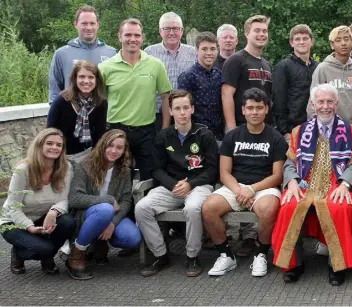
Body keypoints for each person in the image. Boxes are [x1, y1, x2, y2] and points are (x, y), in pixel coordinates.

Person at [271, 84, 352, 286]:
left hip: (334, 185)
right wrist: (293, 182)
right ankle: (294, 264)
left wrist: (345, 184)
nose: (325, 106)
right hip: (304, 184)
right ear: (312, 105)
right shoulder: (299, 132)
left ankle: (336, 265)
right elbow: (289, 162)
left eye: (330, 102)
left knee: (339, 208)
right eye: (320, 102)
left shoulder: (350, 132)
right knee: (289, 207)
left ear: (336, 104)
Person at [201, 88, 287, 277]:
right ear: (243, 110)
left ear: (266, 109)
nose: (254, 112)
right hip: (234, 186)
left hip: (264, 187)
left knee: (269, 208)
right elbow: (224, 173)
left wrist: (251, 189)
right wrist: (239, 190)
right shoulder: (232, 136)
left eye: (258, 108)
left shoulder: (276, 138)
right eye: (250, 108)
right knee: (208, 208)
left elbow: (277, 176)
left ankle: (261, 254)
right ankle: (225, 254)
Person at [135, 90, 219, 277]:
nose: (182, 113)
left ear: (192, 109)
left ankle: (192, 256)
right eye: (177, 108)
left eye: (186, 108)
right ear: (170, 111)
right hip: (170, 187)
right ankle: (161, 254)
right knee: (142, 207)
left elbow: (213, 171)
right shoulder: (163, 136)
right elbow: (155, 169)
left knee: (192, 208)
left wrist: (190, 184)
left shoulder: (204, 135)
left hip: (198, 186)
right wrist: (172, 184)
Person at [99, 18, 172, 180]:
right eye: (128, 35)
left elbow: (166, 97)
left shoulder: (155, 65)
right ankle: (121, 205)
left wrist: (165, 129)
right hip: (116, 130)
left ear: (143, 38)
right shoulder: (105, 68)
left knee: (149, 176)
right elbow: (100, 101)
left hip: (147, 131)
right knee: (118, 177)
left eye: (137, 35)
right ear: (119, 37)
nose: (133, 39)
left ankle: (143, 206)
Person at [66, 129, 141, 280]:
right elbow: (75, 198)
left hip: (111, 215)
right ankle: (76, 254)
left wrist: (112, 223)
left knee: (132, 238)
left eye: (119, 147)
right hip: (86, 214)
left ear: (124, 150)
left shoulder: (124, 170)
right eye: (110, 145)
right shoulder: (84, 165)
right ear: (103, 145)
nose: (114, 151)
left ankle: (100, 242)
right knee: (105, 209)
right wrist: (106, 199)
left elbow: (126, 200)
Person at [0, 128, 75, 275]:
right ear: (40, 145)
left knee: (68, 222)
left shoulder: (66, 168)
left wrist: (54, 212)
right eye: (49, 143)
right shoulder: (23, 170)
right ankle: (19, 253)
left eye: (59, 145)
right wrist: (29, 227)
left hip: (43, 218)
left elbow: (64, 199)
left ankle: (46, 256)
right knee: (42, 249)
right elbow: (12, 207)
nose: (54, 147)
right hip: (14, 222)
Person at [48, 5, 116, 104]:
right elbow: (54, 90)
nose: (89, 27)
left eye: (92, 23)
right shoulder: (62, 54)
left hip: (103, 115)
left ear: (98, 25)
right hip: (71, 114)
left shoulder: (111, 53)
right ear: (76, 24)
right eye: (84, 23)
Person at [145, 12, 197, 131]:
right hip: (157, 113)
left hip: (185, 113)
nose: (172, 32)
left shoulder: (193, 53)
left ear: (182, 31)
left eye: (175, 28)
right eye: (167, 29)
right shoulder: (149, 53)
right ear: (160, 31)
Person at [221, 15, 274, 131]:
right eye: (257, 30)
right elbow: (226, 95)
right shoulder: (235, 60)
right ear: (247, 34)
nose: (262, 34)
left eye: (265, 31)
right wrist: (231, 128)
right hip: (242, 127)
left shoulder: (267, 64)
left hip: (264, 128)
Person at [47, 60, 107, 156]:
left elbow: (99, 134)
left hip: (87, 154)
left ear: (97, 80)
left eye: (91, 77)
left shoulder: (101, 103)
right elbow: (49, 131)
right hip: (62, 154)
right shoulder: (62, 100)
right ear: (75, 79)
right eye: (82, 77)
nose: (86, 81)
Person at [306, 26, 352, 125]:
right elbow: (313, 103)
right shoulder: (323, 69)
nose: (343, 43)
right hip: (327, 128)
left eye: (346, 39)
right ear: (332, 45)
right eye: (338, 40)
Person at [273, 24, 319, 140]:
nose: (301, 42)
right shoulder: (283, 66)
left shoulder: (319, 67)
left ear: (311, 41)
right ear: (291, 43)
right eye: (297, 39)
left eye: (305, 38)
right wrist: (284, 131)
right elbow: (278, 100)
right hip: (292, 129)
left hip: (316, 128)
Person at [177, 32, 224, 140]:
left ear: (217, 50)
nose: (209, 53)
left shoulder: (219, 75)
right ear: (196, 50)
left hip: (218, 134)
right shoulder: (187, 76)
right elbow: (182, 109)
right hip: (195, 134)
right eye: (204, 49)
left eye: (212, 49)